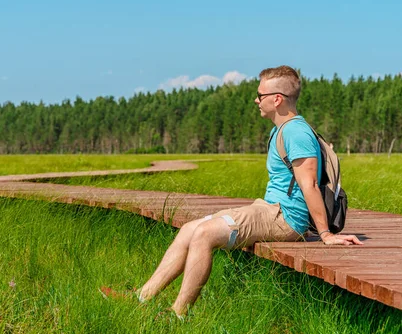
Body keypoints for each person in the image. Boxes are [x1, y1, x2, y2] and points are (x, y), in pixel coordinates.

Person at [105, 65, 363, 317]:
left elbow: (310, 185)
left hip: (285, 219)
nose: (256, 100)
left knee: (205, 234)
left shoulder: (295, 131)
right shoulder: (282, 129)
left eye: (260, 95)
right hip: (268, 209)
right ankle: (142, 297)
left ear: (277, 99)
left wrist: (326, 234)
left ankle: (178, 314)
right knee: (188, 230)